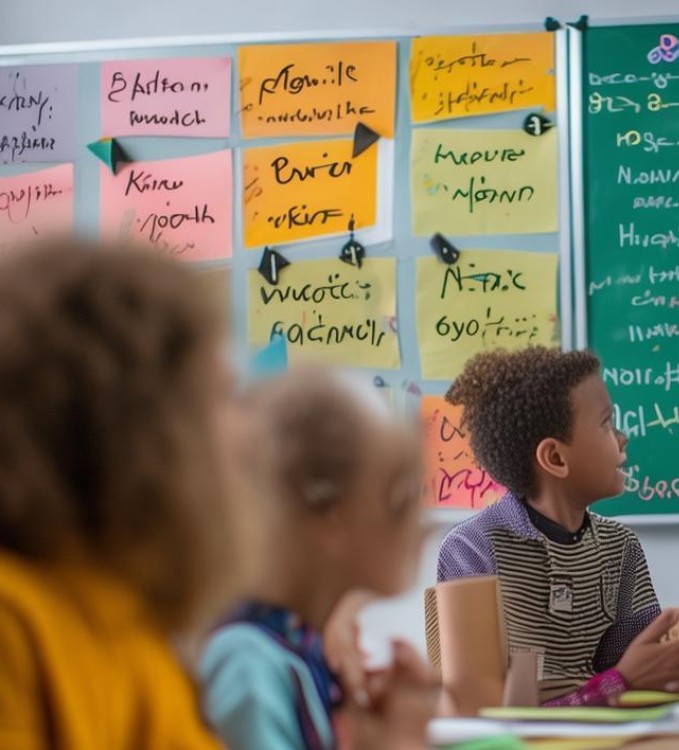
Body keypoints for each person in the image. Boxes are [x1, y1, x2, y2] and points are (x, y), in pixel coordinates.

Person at [0, 240, 437, 750]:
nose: (249, 432)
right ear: (140, 427)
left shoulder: (133, 636)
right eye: (223, 397)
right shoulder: (18, 629)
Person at [438, 347, 679, 706]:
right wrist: (620, 683)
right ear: (555, 458)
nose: (622, 438)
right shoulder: (472, 550)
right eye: (606, 423)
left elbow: (639, 677)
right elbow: (477, 719)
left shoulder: (619, 547)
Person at [200, 368, 430, 750]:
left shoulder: (303, 649)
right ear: (332, 517)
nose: (419, 528)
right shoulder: (246, 666)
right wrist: (398, 741)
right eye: (400, 500)